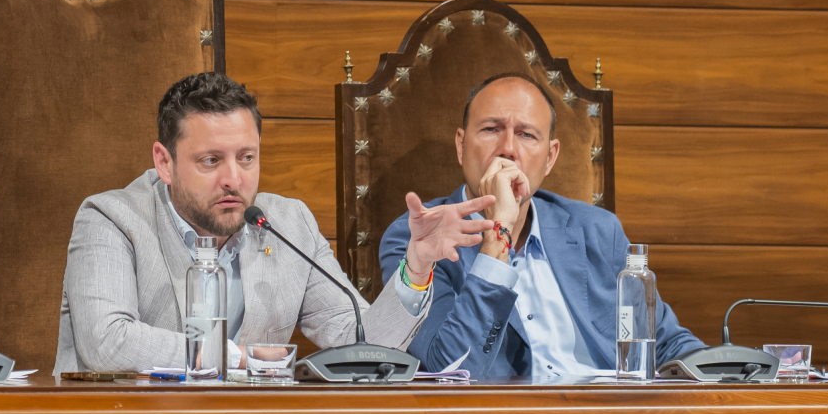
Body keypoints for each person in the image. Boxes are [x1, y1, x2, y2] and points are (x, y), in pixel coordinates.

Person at [54, 72, 495, 375]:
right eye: (210, 161)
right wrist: (240, 359)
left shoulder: (288, 222)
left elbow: (359, 341)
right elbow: (107, 344)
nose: (234, 178)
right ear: (164, 162)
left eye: (246, 158)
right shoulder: (111, 219)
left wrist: (416, 268)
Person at [378, 73, 704, 379]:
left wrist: (732, 373)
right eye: (491, 129)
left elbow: (667, 345)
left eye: (526, 134)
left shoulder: (598, 231)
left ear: (550, 157)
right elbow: (449, 370)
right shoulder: (417, 238)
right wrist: (498, 233)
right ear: (461, 146)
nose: (508, 148)